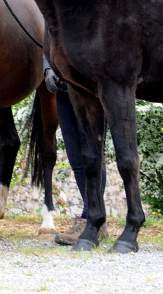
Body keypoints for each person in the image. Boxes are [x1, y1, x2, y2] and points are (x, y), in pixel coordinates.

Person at [43, 55, 108, 245]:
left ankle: (91, 219)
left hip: (89, 88)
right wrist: (48, 69)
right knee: (76, 159)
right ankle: (96, 222)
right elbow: (49, 37)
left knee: (93, 155)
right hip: (64, 89)